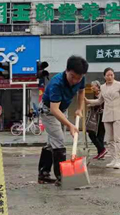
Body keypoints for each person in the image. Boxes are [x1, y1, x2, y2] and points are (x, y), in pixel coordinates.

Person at [37, 55, 88, 186]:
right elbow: (54, 109)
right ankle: (62, 177)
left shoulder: (80, 78)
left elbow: (81, 92)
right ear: (67, 71)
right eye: (72, 77)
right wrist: (70, 125)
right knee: (59, 139)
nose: (75, 81)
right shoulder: (56, 83)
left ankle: (43, 174)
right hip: (49, 111)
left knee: (52, 141)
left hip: (62, 110)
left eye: (79, 78)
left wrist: (79, 109)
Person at [86, 68, 120, 169]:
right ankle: (114, 159)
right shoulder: (102, 87)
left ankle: (119, 160)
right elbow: (99, 101)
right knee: (109, 139)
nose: (110, 77)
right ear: (104, 76)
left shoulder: (119, 85)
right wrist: (87, 101)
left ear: (114, 75)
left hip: (118, 115)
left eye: (111, 75)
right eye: (108, 75)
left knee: (117, 138)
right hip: (107, 115)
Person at [86, 81, 106, 161]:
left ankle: (102, 150)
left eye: (93, 86)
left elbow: (99, 103)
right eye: (91, 86)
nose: (92, 87)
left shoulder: (102, 93)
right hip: (96, 117)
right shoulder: (94, 95)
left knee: (98, 134)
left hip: (102, 116)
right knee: (95, 134)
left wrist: (90, 104)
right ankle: (101, 152)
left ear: (97, 86)